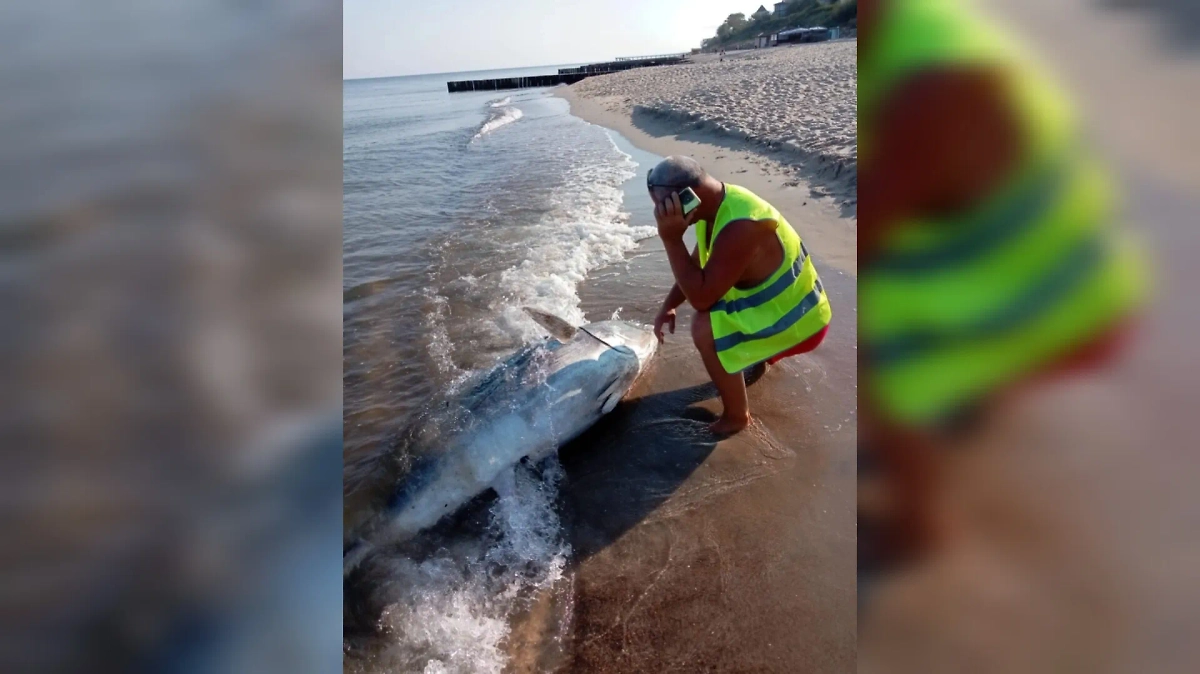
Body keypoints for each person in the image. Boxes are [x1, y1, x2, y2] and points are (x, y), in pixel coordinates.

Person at [858, 0, 1145, 564]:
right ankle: (965, 403)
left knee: (878, 356)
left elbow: (875, 227)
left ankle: (917, 526)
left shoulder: (930, 86)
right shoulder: (918, 29)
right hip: (1037, 248)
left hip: (1058, 293)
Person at [647, 156, 832, 435]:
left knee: (704, 326)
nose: (662, 215)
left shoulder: (741, 225)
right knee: (713, 299)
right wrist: (668, 306)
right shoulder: (715, 206)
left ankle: (737, 417)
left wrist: (671, 239)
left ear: (687, 198)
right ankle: (757, 356)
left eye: (663, 208)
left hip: (801, 323)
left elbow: (700, 298)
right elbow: (697, 267)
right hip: (786, 306)